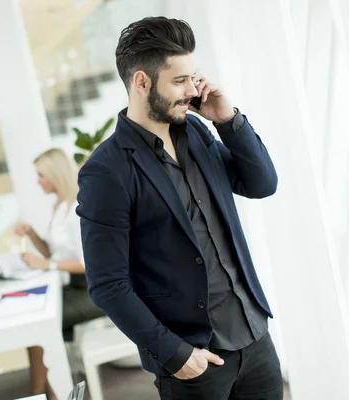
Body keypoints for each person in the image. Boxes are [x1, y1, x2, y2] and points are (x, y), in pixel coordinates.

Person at [76, 17, 283, 400]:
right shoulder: (106, 171)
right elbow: (108, 284)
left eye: (193, 77)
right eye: (179, 81)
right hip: (194, 361)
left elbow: (262, 184)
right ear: (141, 82)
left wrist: (227, 119)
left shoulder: (199, 133)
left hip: (254, 338)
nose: (192, 90)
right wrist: (174, 354)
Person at [14, 148, 103, 398]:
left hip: (91, 290)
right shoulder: (60, 206)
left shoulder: (77, 209)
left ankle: (39, 394)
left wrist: (47, 266)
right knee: (33, 323)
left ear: (55, 175)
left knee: (37, 327)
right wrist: (31, 233)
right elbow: (52, 252)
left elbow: (89, 263)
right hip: (74, 286)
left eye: (41, 175)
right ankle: (45, 394)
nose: (38, 181)